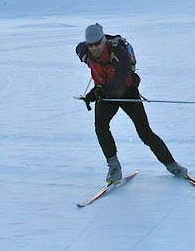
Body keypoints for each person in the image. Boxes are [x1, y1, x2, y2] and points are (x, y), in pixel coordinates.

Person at [76, 23, 188, 184]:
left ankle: (172, 165)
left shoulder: (119, 53)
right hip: (105, 94)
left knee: (145, 133)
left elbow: (119, 82)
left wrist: (96, 93)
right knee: (100, 127)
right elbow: (78, 49)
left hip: (126, 92)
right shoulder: (84, 52)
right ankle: (114, 167)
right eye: (90, 45)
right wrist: (94, 93)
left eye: (97, 44)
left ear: (104, 41)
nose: (94, 48)